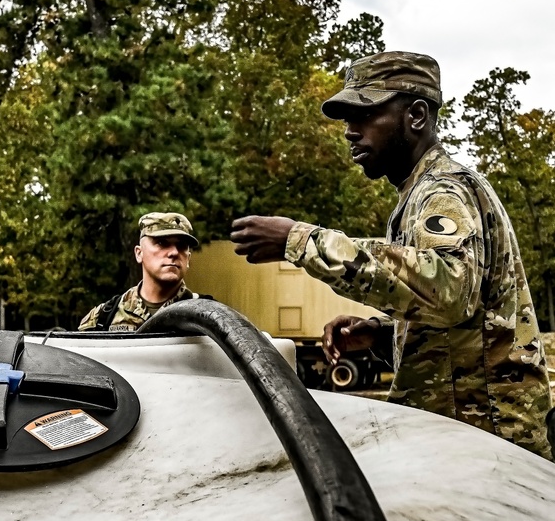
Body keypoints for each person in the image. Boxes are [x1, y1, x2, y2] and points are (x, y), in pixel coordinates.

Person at [230, 51, 553, 460]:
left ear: (416, 115)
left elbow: (449, 288)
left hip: (485, 443)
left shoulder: (443, 190)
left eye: (364, 115)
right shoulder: (418, 194)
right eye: (347, 119)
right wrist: (382, 333)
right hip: (465, 435)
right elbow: (468, 318)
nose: (350, 131)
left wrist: (301, 240)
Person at [79, 212, 207, 331]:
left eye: (181, 246)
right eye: (162, 243)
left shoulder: (208, 317)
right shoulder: (103, 318)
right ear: (139, 254)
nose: (174, 252)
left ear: (188, 258)